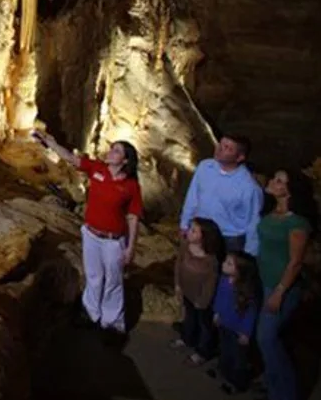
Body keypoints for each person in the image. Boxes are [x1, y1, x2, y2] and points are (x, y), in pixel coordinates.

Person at [32, 131, 143, 339]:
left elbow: (133, 217)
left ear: (125, 160)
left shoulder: (131, 186)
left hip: (113, 241)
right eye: (112, 148)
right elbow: (71, 158)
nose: (110, 151)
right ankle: (91, 314)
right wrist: (51, 142)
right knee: (94, 277)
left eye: (116, 150)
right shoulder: (97, 169)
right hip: (91, 234)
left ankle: (112, 324)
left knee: (114, 282)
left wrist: (130, 248)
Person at [255, 169, 315, 400]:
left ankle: (286, 397)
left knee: (267, 339)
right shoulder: (273, 214)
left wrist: (280, 291)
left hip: (280, 287)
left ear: (290, 190)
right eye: (274, 177)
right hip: (264, 280)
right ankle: (272, 383)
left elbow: (295, 262)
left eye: (279, 181)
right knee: (266, 338)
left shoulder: (297, 223)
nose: (273, 181)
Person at [179, 136, 263, 255]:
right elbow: (192, 197)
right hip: (200, 231)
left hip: (228, 238)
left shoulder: (248, 186)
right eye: (220, 144)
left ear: (240, 157)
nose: (219, 149)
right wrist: (184, 223)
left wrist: (250, 252)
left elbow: (253, 221)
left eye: (227, 148)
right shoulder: (205, 167)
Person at [170, 216, 222, 364]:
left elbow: (210, 284)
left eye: (194, 231)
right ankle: (187, 338)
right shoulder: (185, 246)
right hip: (187, 293)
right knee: (188, 318)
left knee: (204, 326)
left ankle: (203, 351)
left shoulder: (210, 261)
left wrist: (203, 301)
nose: (189, 232)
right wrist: (178, 285)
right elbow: (178, 265)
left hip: (201, 300)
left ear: (204, 237)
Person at [211, 251, 261, 393]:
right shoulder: (224, 281)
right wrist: (216, 312)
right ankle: (224, 371)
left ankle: (237, 382)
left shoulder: (247, 291)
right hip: (224, 324)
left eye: (229, 263)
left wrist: (246, 332)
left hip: (237, 330)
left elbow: (250, 314)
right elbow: (219, 298)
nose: (223, 264)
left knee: (238, 356)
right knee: (225, 349)